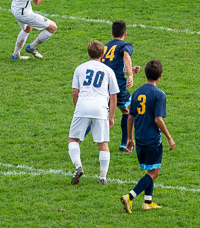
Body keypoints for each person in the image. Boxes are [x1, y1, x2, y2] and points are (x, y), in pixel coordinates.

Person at [120, 59, 175, 213]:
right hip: (152, 139)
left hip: (139, 138)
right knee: (154, 172)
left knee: (150, 169)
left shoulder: (136, 92)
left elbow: (130, 117)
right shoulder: (159, 95)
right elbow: (158, 119)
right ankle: (129, 196)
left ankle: (147, 202)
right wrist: (169, 137)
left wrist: (129, 139)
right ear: (161, 75)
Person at [68, 40, 119, 185]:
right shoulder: (108, 70)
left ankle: (78, 166)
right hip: (100, 108)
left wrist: (78, 109)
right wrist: (112, 116)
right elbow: (114, 95)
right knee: (103, 143)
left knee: (73, 139)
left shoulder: (80, 68)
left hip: (83, 106)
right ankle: (102, 177)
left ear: (88, 53)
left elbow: (75, 93)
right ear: (102, 54)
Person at [101, 20, 141, 152]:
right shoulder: (125, 45)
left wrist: (128, 69)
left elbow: (111, 67)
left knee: (102, 113)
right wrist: (130, 75)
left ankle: (77, 139)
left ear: (112, 33)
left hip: (103, 85)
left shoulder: (105, 47)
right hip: (117, 85)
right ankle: (125, 143)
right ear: (125, 33)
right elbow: (126, 56)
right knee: (129, 111)